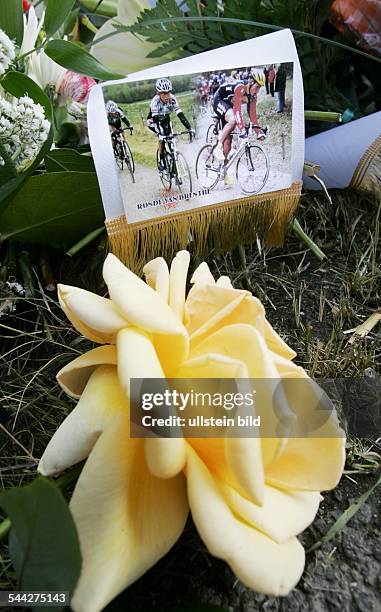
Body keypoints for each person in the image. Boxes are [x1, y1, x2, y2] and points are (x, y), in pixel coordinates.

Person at [212, 72, 267, 183]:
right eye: (257, 87)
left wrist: (258, 132)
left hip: (229, 106)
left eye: (260, 88)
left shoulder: (253, 96)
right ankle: (217, 147)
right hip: (219, 100)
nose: (257, 90)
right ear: (251, 83)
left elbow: (253, 116)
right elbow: (237, 111)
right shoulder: (240, 88)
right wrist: (242, 130)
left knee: (228, 142)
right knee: (233, 120)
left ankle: (224, 171)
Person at [147, 77, 194, 172]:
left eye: (168, 92)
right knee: (162, 138)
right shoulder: (155, 102)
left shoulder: (172, 99)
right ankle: (162, 160)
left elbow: (180, 115)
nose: (166, 96)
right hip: (153, 121)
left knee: (170, 138)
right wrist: (160, 134)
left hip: (165, 119)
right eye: (163, 93)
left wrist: (189, 128)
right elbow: (155, 119)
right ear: (158, 93)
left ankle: (172, 157)